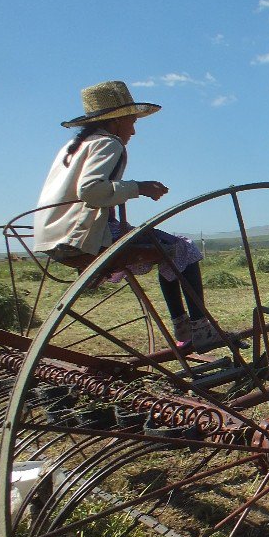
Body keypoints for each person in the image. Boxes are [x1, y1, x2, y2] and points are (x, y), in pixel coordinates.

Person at [34, 80, 222, 351]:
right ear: (117, 120)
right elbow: (90, 190)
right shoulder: (109, 143)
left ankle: (185, 329)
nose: (133, 130)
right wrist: (139, 188)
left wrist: (132, 187)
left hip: (53, 236)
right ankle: (199, 329)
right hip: (84, 236)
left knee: (169, 251)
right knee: (185, 249)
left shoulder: (75, 147)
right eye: (132, 121)